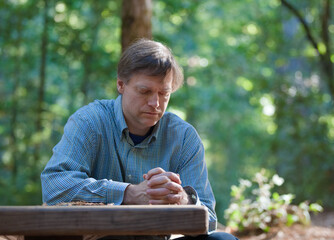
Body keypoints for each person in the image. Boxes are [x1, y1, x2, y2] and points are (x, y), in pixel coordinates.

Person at [41, 39, 238, 240]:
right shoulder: (89, 121)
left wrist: (182, 200)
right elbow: (54, 185)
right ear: (121, 84)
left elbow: (210, 220)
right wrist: (129, 193)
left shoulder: (184, 136)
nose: (155, 103)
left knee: (223, 239)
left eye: (164, 93)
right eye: (145, 91)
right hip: (100, 238)